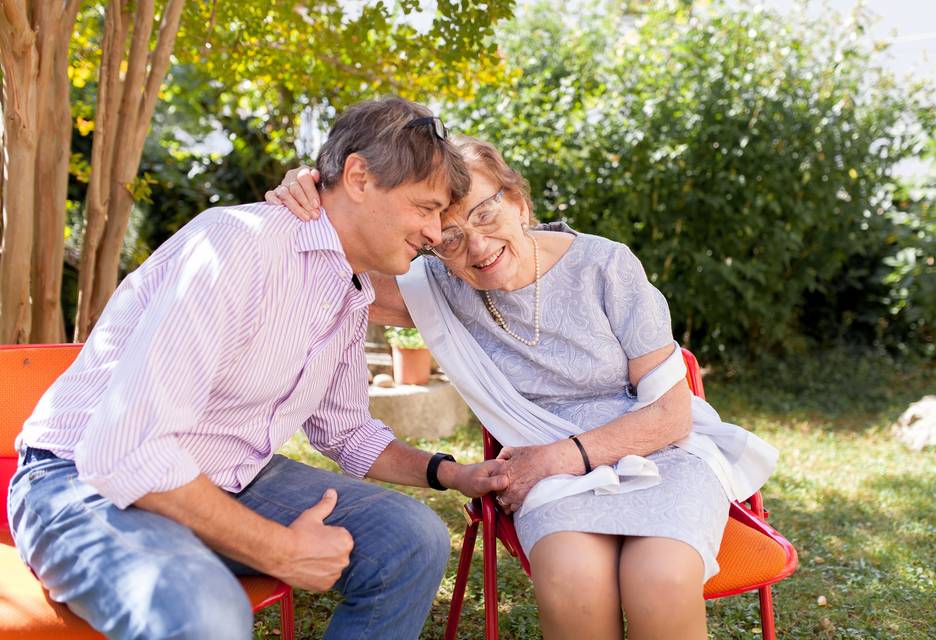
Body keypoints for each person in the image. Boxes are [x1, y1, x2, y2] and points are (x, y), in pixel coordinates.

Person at [9, 98, 510, 640]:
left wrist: (450, 473)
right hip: (82, 479)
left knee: (411, 538)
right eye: (426, 208)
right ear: (360, 176)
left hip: (226, 477)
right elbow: (126, 448)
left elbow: (346, 433)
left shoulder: (350, 288)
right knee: (206, 615)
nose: (436, 233)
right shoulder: (238, 244)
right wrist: (281, 550)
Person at [267, 135, 778, 640]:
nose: (478, 246)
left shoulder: (605, 265)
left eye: (486, 214)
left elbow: (670, 416)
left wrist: (557, 458)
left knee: (660, 582)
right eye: (449, 237)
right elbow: (327, 262)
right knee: (573, 581)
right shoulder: (442, 286)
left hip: (660, 452)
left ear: (519, 201)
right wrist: (310, 198)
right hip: (549, 477)